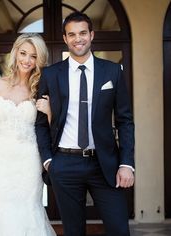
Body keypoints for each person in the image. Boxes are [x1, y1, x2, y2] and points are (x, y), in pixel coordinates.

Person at [36, 11, 135, 236]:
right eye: (71, 34)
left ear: (91, 35)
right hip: (64, 163)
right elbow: (40, 123)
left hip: (105, 164)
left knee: (119, 229)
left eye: (82, 33)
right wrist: (49, 161)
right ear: (65, 39)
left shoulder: (112, 71)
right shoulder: (51, 75)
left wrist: (126, 163)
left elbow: (125, 120)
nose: (77, 39)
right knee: (73, 231)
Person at [0, 33, 56, 236]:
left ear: (38, 60)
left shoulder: (41, 88)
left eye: (33, 56)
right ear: (15, 53)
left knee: (29, 211)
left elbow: (53, 130)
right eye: (23, 53)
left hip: (29, 159)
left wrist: (50, 111)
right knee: (1, 212)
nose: (26, 60)